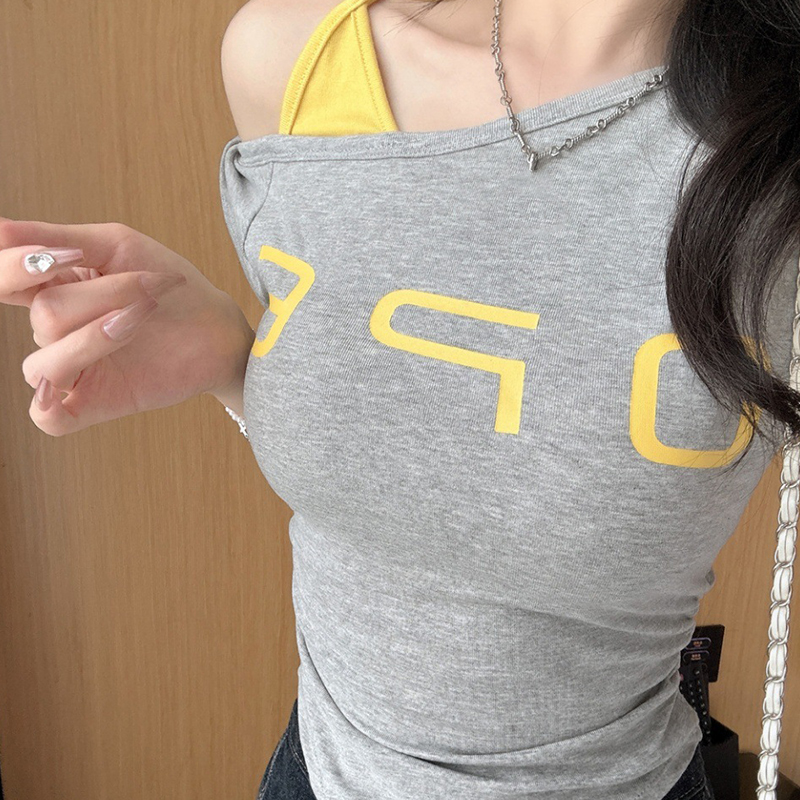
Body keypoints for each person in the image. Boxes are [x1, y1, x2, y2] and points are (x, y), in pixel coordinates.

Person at [2, 0, 798, 797]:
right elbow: (424, 450)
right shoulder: (297, 60)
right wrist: (233, 368)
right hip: (313, 774)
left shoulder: (774, 147)